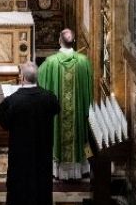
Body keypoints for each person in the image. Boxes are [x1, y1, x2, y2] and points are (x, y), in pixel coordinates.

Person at [0, 61, 60, 205]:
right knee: (42, 176)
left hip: (20, 149)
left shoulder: (13, 100)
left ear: (22, 78)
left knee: (20, 177)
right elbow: (56, 109)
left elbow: (3, 122)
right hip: (42, 148)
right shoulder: (49, 97)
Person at [38, 28, 94, 179]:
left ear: (59, 41)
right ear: (73, 41)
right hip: (77, 115)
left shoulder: (50, 63)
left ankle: (59, 170)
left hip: (57, 116)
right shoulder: (84, 62)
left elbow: (41, 86)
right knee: (79, 136)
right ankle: (80, 169)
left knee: (57, 132)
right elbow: (89, 92)